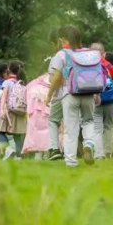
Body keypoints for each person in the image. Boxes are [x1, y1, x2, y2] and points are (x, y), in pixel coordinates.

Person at [45, 25, 99, 167]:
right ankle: (88, 143)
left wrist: (49, 95)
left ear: (63, 39)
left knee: (71, 129)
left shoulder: (61, 54)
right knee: (88, 121)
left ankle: (71, 162)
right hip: (88, 93)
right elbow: (96, 73)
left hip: (69, 94)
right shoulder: (88, 53)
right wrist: (97, 94)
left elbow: (56, 78)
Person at [91, 43, 113, 159]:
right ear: (103, 53)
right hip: (110, 100)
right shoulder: (108, 66)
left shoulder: (88, 65)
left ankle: (99, 154)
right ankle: (108, 152)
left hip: (95, 100)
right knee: (108, 126)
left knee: (97, 128)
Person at [0, 61, 27, 160]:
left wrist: (1, 110)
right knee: (17, 137)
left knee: (0, 131)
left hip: (9, 111)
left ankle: (9, 149)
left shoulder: (7, 82)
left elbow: (4, 97)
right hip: (20, 112)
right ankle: (19, 157)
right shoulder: (23, 83)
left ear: (9, 70)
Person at [23, 73, 53, 158]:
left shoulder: (32, 86)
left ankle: (38, 157)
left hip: (33, 115)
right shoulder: (50, 86)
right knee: (47, 136)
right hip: (47, 113)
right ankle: (47, 156)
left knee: (35, 137)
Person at [46, 30, 64, 161]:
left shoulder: (58, 56)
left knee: (53, 119)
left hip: (61, 94)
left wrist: (48, 96)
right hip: (78, 92)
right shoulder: (76, 53)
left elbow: (54, 79)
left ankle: (54, 149)